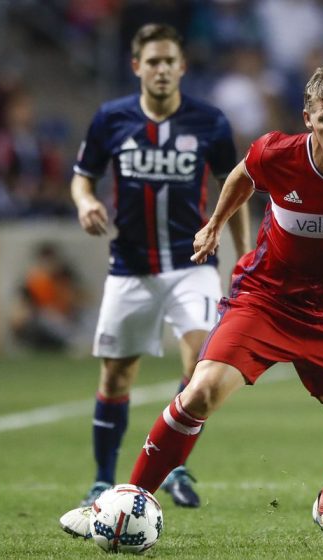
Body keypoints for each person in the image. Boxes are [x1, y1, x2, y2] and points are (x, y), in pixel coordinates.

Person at [60, 61, 323, 548]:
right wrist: (215, 224)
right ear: (307, 118)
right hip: (265, 301)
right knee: (200, 392)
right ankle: (123, 501)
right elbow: (242, 176)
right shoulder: (276, 153)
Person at [64, 23, 250, 510]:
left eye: (169, 61)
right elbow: (82, 177)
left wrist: (244, 252)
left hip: (192, 263)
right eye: (153, 62)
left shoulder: (210, 122)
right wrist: (85, 202)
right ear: (137, 67)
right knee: (116, 378)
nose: (162, 69)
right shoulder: (111, 119)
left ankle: (174, 466)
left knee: (198, 366)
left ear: (182, 67)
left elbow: (236, 187)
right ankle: (102, 481)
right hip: (130, 266)